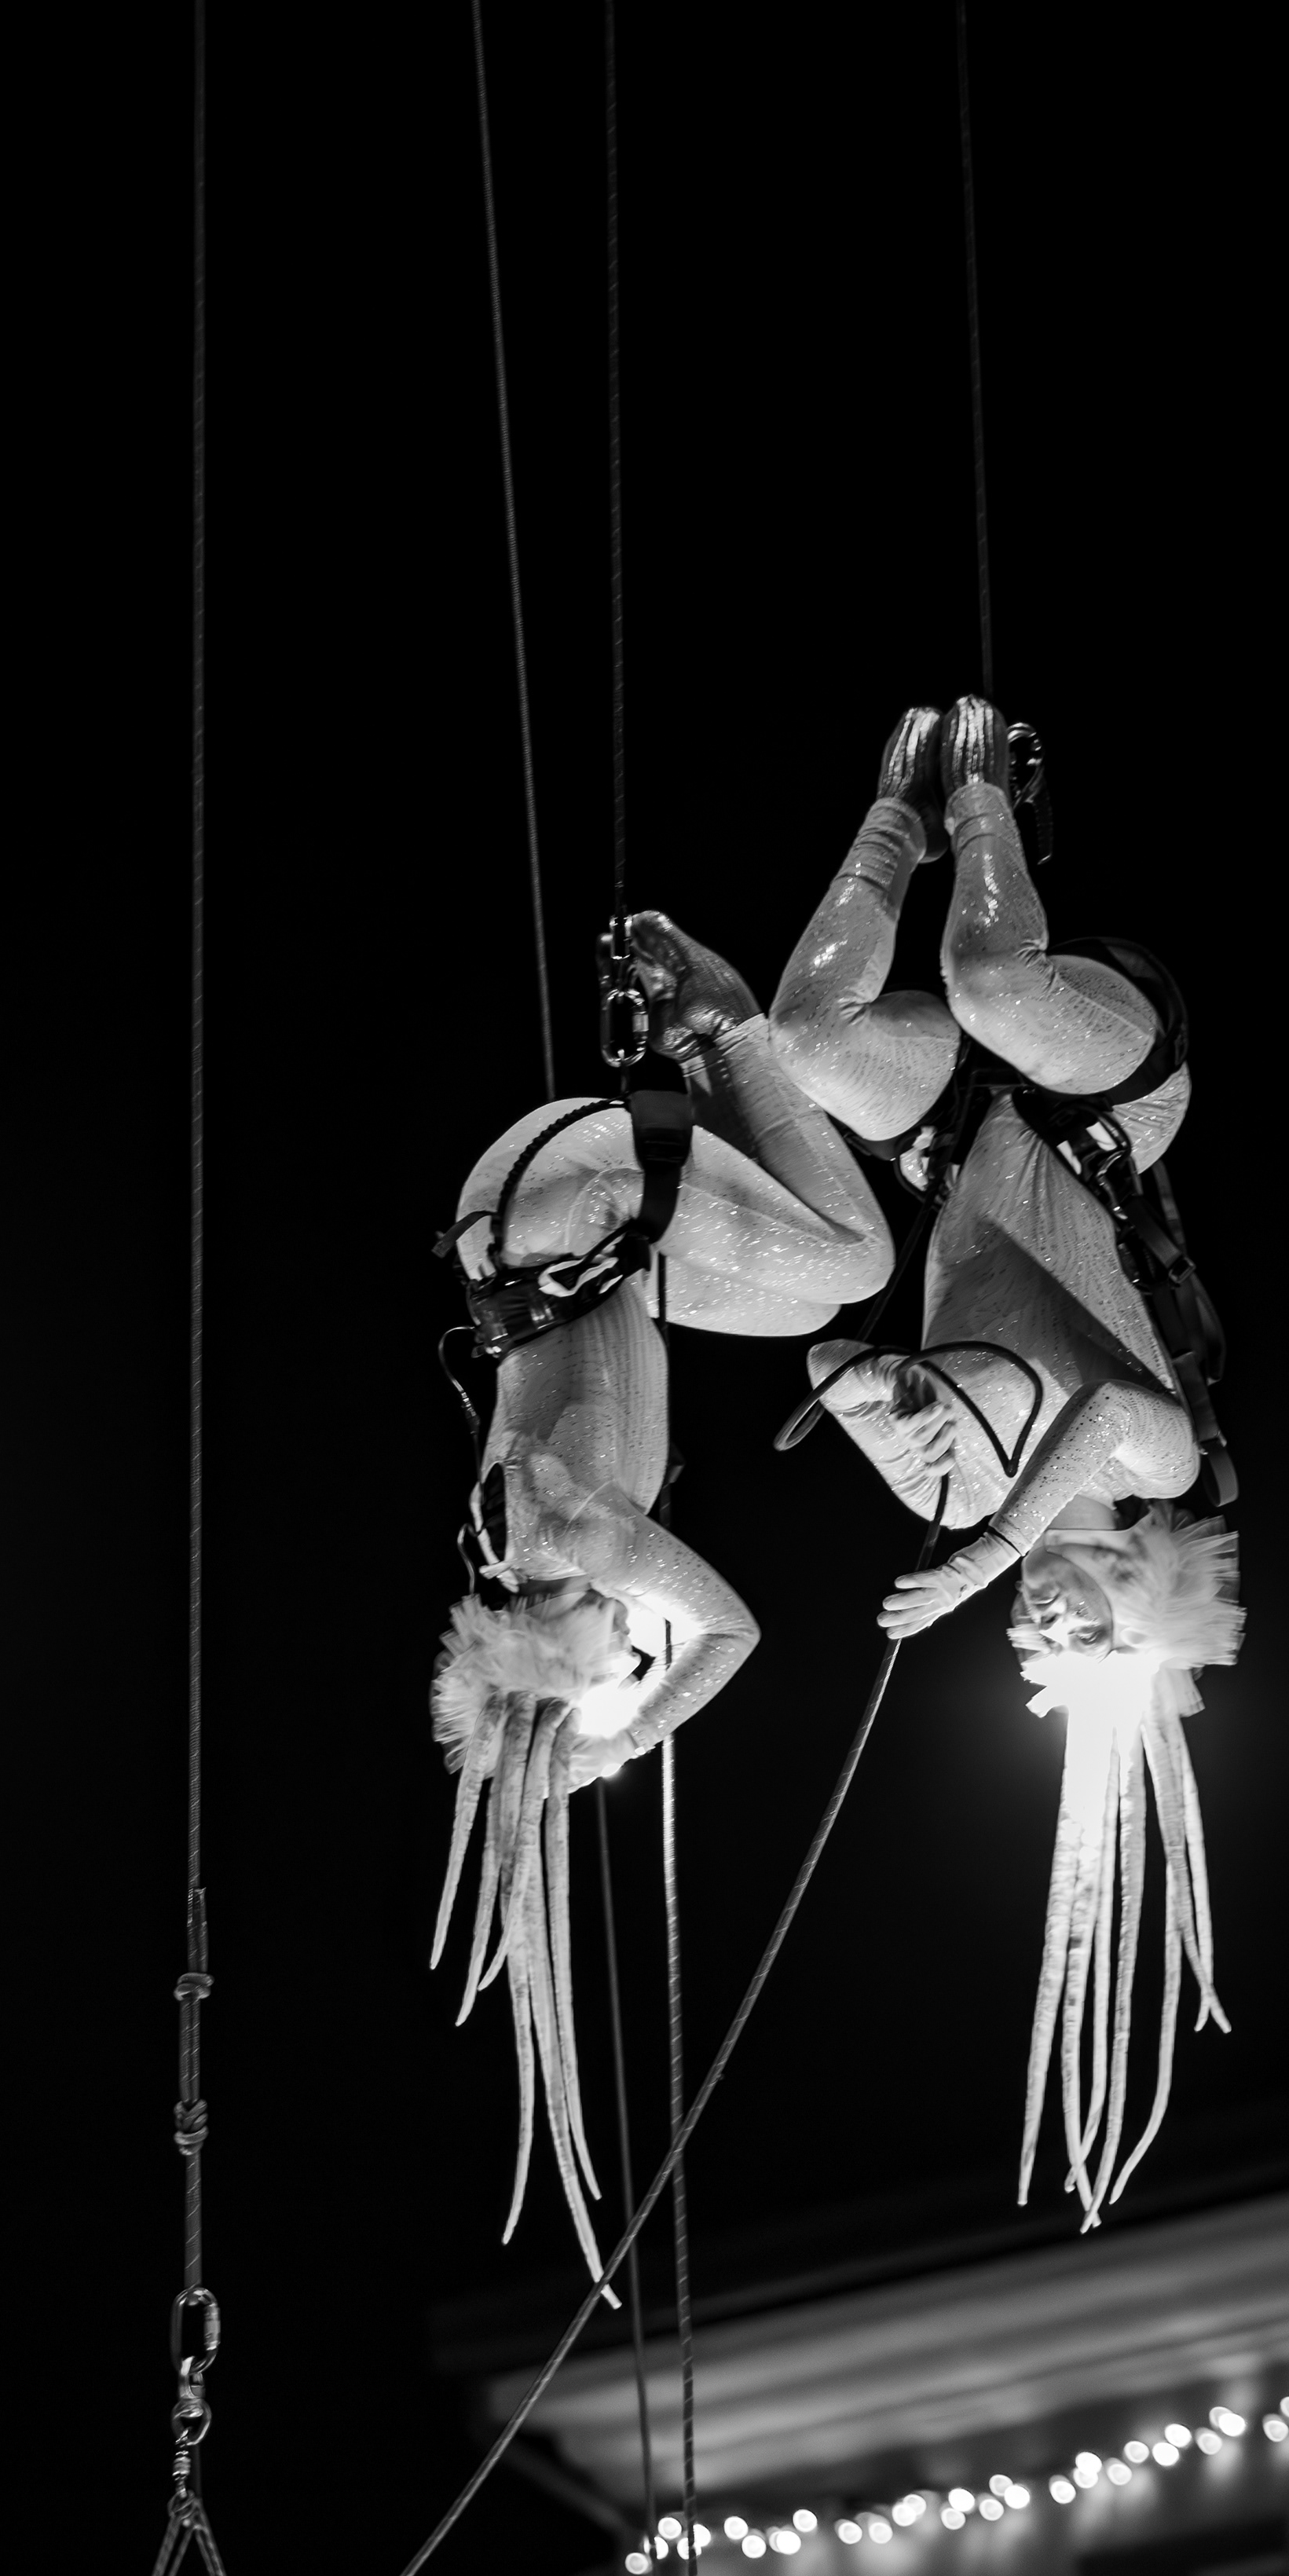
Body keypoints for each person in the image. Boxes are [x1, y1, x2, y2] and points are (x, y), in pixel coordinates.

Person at [771, 696, 1243, 2220]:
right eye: (1089, 1631)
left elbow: (830, 1367)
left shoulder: (963, 1487)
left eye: (1045, 1652)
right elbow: (1095, 1411)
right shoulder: (1155, 1471)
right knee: (988, 979)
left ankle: (899, 812)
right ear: (1141, 1593)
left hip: (962, 1137)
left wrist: (877, 1399)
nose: (1043, 1626)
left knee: (805, 1042)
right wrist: (981, 1556)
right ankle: (990, 795)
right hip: (1103, 1105)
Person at [430, 899, 901, 2275]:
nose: (637, 1655)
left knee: (856, 1263)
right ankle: (704, 1049)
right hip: (529, 1228)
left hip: (576, 1201)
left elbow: (735, 1630)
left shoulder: (578, 1545)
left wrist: (625, 1742)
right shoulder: (506, 1545)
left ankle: (723, 1024)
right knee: (804, 1302)